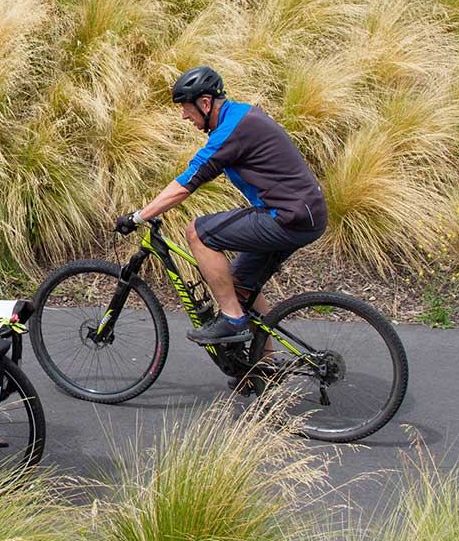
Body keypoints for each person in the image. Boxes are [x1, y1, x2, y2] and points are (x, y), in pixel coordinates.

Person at [115, 66, 327, 345]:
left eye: (186, 108)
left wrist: (138, 217)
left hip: (288, 218)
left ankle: (232, 319)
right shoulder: (241, 116)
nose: (184, 116)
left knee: (198, 233)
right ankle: (264, 368)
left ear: (205, 103)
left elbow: (185, 185)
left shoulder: (232, 130)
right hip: (302, 217)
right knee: (239, 288)